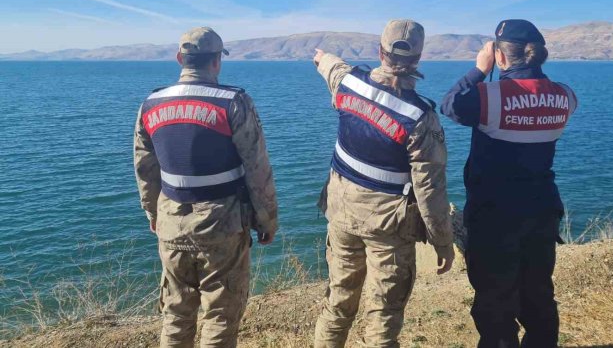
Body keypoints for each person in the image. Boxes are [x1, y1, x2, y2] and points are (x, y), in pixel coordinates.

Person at [313, 19, 455, 348]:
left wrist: (322, 57)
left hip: (341, 214)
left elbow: (332, 67)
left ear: (380, 51)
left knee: (337, 302)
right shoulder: (420, 118)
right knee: (383, 314)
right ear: (418, 60)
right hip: (388, 227)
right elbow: (430, 191)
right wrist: (443, 242)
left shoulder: (348, 83)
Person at [133, 26, 278, 348]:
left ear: (179, 59)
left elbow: (145, 167)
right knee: (220, 316)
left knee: (176, 313)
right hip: (222, 224)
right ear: (216, 62)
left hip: (170, 220)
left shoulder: (150, 104)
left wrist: (152, 211)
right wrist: (266, 220)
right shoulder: (233, 102)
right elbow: (257, 169)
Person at [441, 19, 577, 348]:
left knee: (495, 304)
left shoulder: (489, 97)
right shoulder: (566, 97)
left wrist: (478, 70)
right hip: (542, 212)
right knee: (539, 296)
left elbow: (450, 104)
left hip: (495, 217)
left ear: (501, 57)